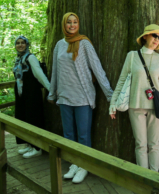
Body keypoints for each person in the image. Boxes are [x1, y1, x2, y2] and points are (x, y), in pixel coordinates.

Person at [48, 12, 114, 184]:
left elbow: (97, 69)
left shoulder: (84, 44)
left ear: (78, 24)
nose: (71, 25)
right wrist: (52, 93)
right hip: (64, 96)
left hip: (83, 96)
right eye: (68, 22)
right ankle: (74, 163)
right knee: (69, 134)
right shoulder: (59, 45)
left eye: (74, 22)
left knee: (83, 134)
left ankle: (84, 165)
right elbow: (55, 71)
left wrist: (109, 94)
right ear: (64, 24)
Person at [109, 24, 159, 172]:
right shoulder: (131, 56)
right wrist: (113, 103)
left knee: (154, 143)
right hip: (135, 105)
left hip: (156, 106)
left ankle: (154, 177)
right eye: (154, 35)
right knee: (141, 144)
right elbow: (121, 81)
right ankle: (143, 178)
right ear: (145, 36)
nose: (157, 39)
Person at [13, 36, 51, 158]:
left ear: (27, 44)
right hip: (21, 95)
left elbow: (39, 75)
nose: (20, 45)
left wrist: (50, 89)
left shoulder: (31, 58)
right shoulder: (18, 59)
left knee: (34, 119)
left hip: (32, 94)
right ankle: (29, 144)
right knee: (23, 119)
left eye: (22, 43)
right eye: (18, 43)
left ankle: (37, 147)